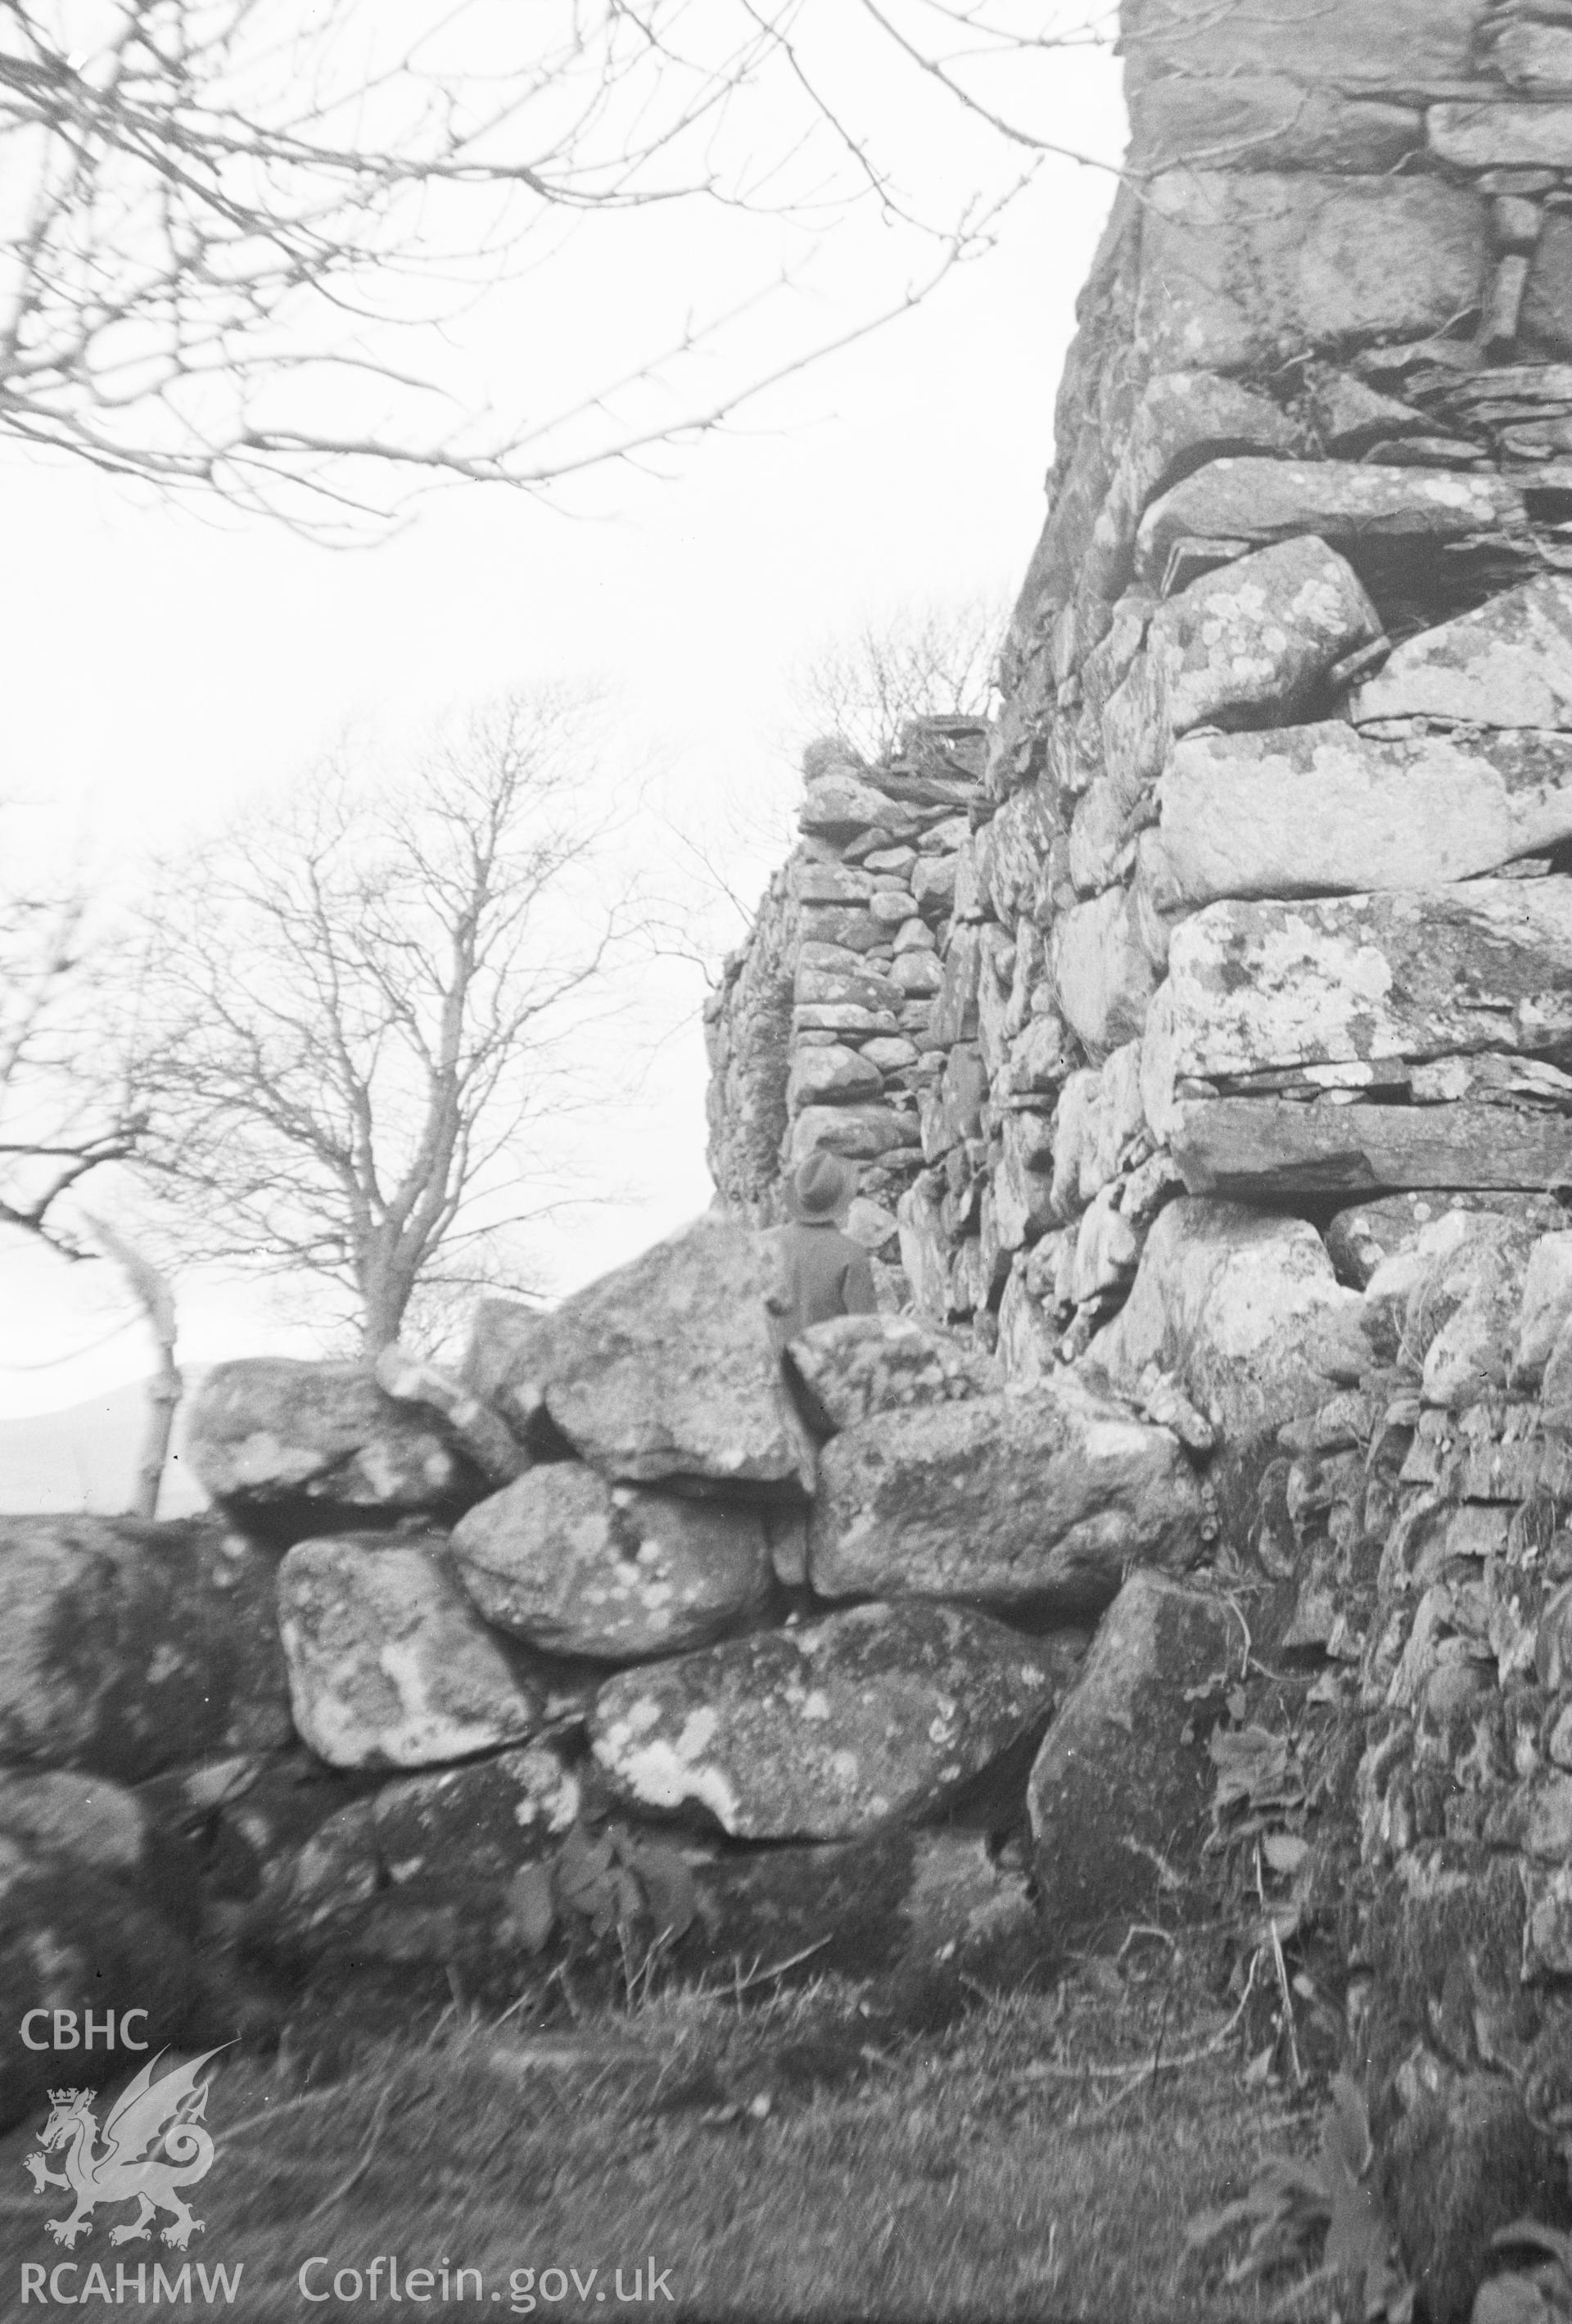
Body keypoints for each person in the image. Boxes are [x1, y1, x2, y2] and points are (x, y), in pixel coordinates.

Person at [763, 1149, 878, 1350]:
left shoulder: (767, 1246)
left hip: (778, 1371)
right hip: (828, 1373)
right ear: (843, 1199)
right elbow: (868, 1336)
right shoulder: (852, 1255)